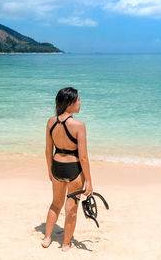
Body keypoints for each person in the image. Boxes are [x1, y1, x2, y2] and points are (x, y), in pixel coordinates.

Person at [41, 87, 93, 252]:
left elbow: (48, 150)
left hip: (57, 167)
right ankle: (65, 244)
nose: (80, 102)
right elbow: (83, 157)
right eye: (78, 99)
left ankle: (47, 238)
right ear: (70, 103)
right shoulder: (79, 126)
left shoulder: (51, 122)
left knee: (55, 204)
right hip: (74, 170)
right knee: (71, 209)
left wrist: (50, 170)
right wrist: (89, 182)